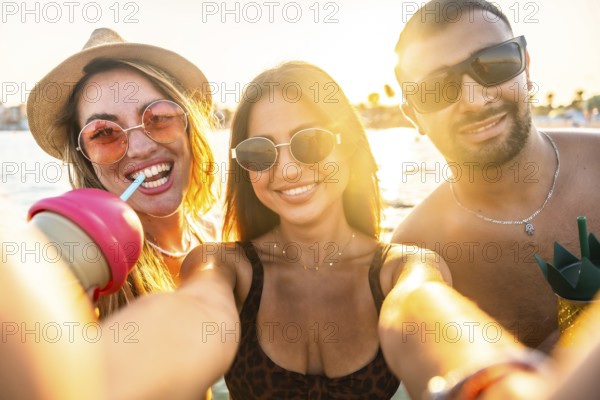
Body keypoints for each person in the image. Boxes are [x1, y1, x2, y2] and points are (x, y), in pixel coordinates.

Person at [181, 60, 452, 399]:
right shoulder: (223, 268)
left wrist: (495, 375)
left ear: (348, 145)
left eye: (309, 142)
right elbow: (192, 316)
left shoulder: (403, 269)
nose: (289, 170)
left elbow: (437, 319)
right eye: (260, 152)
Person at [25, 27, 226, 398]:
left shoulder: (223, 237)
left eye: (158, 117)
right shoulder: (75, 271)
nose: (140, 146)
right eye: (104, 133)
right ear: (85, 157)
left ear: (187, 124)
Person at [391, 0, 600, 349]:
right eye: (437, 88)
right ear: (414, 115)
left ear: (526, 67)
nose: (475, 101)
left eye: (494, 64)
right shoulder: (418, 249)